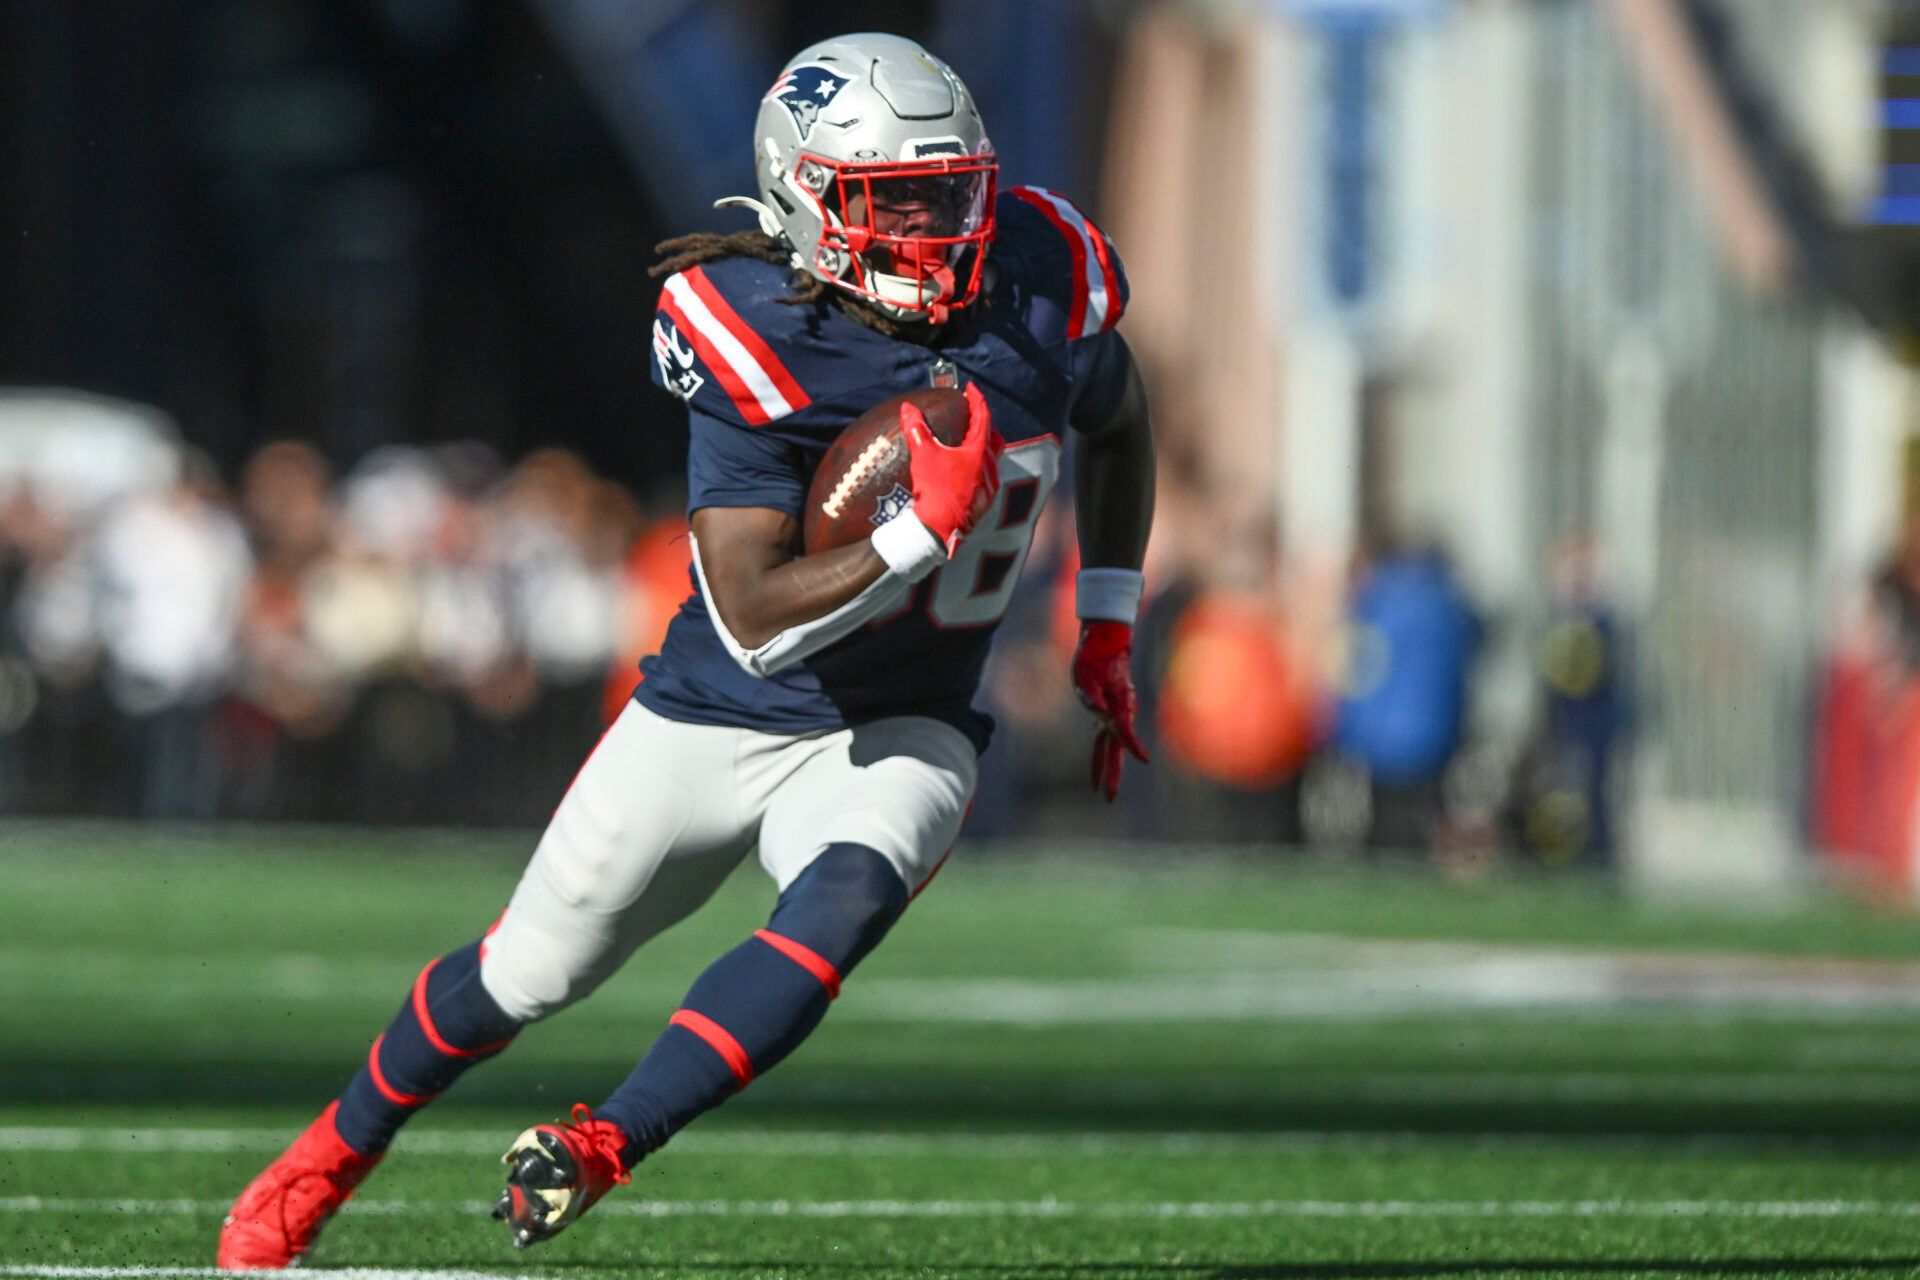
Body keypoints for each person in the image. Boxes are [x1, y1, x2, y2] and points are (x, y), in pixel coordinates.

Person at [217, 32, 1155, 1268]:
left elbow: (1120, 415)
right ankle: (331, 1148)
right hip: (716, 713)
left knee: (845, 902)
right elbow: (756, 615)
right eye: (901, 200)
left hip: (903, 717)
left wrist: (1107, 614)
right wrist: (912, 533)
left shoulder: (1042, 277)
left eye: (954, 190)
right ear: (808, 199)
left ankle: (605, 1139)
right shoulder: (757, 331)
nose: (942, 228)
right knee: (522, 975)